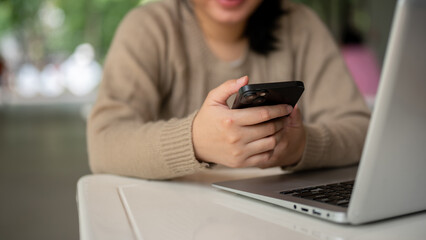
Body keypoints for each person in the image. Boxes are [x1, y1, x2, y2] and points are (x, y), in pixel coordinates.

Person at [87, 0, 370, 180]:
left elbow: (361, 130)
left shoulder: (301, 25)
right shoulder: (148, 27)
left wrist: (300, 146)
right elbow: (103, 143)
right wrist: (194, 142)